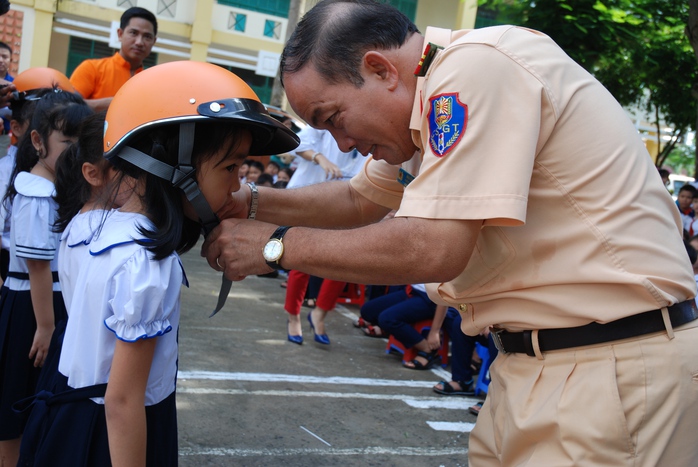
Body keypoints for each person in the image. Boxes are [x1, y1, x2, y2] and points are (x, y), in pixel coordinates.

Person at [203, 1, 698, 465]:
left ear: (380, 69)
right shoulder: (422, 114)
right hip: (542, 366)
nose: (343, 142)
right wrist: (250, 202)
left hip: (610, 366)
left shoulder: (474, 69)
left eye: (333, 119)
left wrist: (275, 246)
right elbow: (358, 198)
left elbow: (433, 246)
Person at [16, 60, 298, 466]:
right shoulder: (148, 264)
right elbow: (123, 400)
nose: (239, 184)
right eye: (230, 167)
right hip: (113, 435)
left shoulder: (87, 222)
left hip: (64, 409)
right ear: (173, 166)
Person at [0, 90, 91, 467]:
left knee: (34, 401)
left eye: (82, 143)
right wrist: (46, 326)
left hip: (46, 306)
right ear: (37, 141)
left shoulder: (53, 187)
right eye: (68, 142)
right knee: (14, 404)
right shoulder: (36, 194)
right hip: (34, 309)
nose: (77, 151)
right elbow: (38, 268)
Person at [0, 67, 77, 281]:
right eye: (40, 120)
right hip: (16, 276)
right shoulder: (7, 173)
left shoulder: (63, 170)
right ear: (16, 127)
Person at [70, 7, 157, 112]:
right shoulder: (91, 68)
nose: (139, 42)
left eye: (147, 36)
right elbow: (68, 105)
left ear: (154, 42)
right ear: (120, 34)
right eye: (133, 33)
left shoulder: (151, 83)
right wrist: (114, 103)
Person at [359, 283, 441, 369]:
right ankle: (391, 330)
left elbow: (444, 296)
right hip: (412, 291)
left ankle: (427, 349)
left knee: (387, 319)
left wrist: (435, 331)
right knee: (367, 311)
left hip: (432, 299)